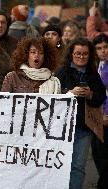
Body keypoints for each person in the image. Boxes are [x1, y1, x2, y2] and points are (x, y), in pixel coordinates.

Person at [55, 37, 106, 189]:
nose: (81, 57)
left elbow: (100, 96)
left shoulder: (92, 73)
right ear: (71, 54)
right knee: (61, 165)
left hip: (84, 128)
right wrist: (69, 92)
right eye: (78, 53)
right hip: (62, 128)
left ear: (89, 55)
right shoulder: (62, 72)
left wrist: (90, 95)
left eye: (85, 54)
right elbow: (53, 95)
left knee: (78, 166)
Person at [92, 33, 108, 189]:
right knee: (98, 153)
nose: (103, 51)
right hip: (97, 117)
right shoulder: (97, 65)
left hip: (106, 116)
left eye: (105, 47)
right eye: (99, 48)